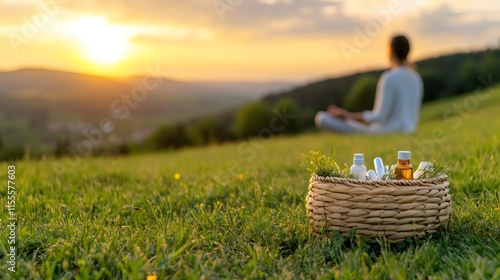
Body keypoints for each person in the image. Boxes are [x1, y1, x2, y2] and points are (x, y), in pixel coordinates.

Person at [315, 34, 423, 133]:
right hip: (409, 130)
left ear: (390, 51)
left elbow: (379, 117)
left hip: (383, 133)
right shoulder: (416, 77)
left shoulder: (389, 77)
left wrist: (347, 115)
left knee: (321, 118)